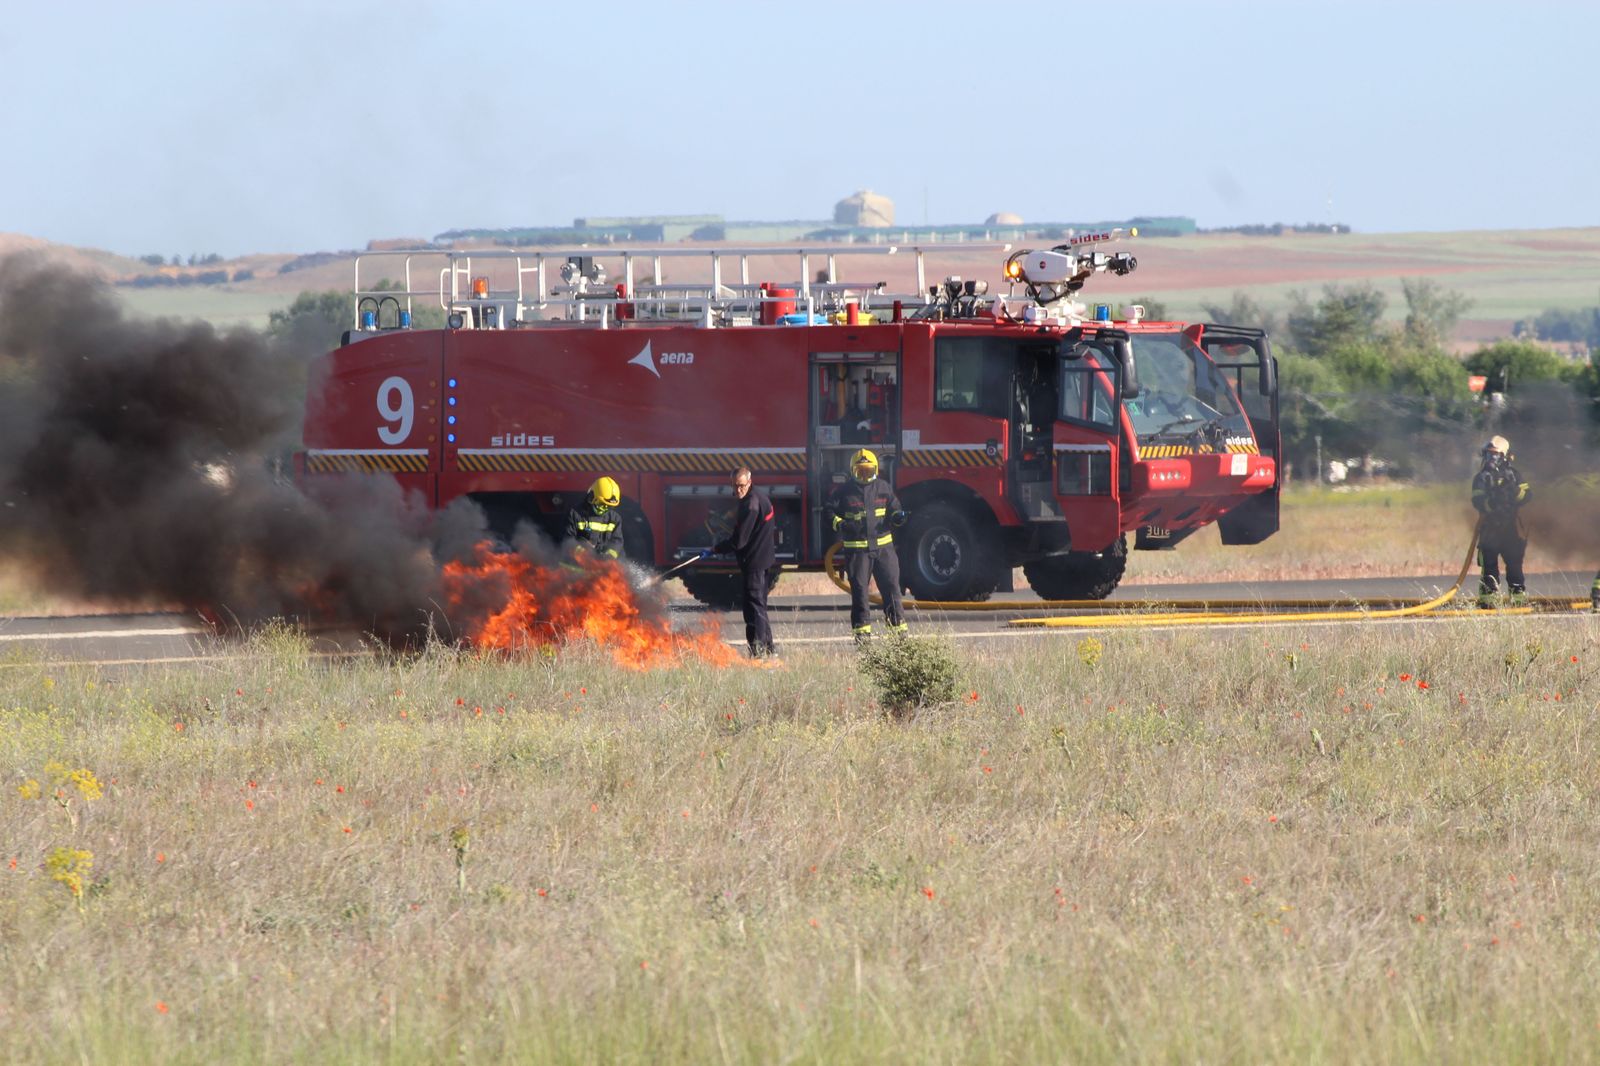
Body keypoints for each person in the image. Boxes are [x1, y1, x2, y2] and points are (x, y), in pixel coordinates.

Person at [826, 448, 908, 643]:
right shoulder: (843, 492)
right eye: (860, 471)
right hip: (857, 551)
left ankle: (899, 634)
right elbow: (828, 512)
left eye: (868, 471)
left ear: (876, 470)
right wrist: (841, 524)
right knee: (860, 592)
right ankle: (863, 636)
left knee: (891, 589)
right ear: (853, 471)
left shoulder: (883, 488)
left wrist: (898, 517)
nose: (864, 475)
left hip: (884, 551)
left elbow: (895, 508)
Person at [713, 467, 777, 658]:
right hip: (762, 559)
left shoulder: (751, 505)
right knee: (759, 606)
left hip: (755, 562)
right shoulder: (757, 497)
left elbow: (739, 541)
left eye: (741, 486)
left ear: (749, 482)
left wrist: (716, 549)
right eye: (734, 486)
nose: (737, 490)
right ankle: (769, 649)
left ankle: (757, 653)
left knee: (753, 608)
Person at [1470, 436, 1530, 606]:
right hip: (1490, 529)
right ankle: (1489, 601)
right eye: (1489, 455)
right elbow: (1477, 500)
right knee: (1489, 566)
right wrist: (1492, 503)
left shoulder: (1514, 476)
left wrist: (1514, 492)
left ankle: (1518, 599)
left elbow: (1528, 495)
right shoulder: (1482, 478)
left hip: (1510, 528)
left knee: (1514, 564)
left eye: (1495, 455)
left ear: (1505, 456)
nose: (1491, 459)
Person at [566, 476, 625, 561]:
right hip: (577, 567)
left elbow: (617, 542)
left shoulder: (615, 519)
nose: (605, 509)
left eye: (609, 507)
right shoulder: (575, 514)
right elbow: (568, 540)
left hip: (603, 567)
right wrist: (585, 555)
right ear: (591, 497)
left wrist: (608, 557)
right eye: (601, 504)